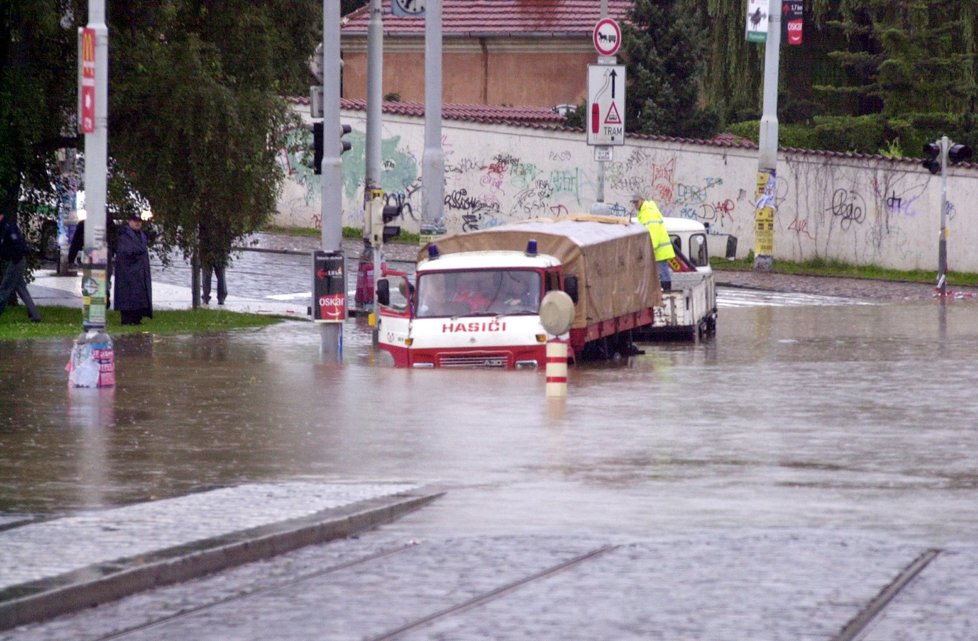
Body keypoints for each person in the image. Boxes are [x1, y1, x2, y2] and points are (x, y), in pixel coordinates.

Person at [0, 210, 41, 322]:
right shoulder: (4, 226)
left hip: (17, 261)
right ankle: (35, 315)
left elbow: (18, 247)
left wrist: (5, 252)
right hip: (16, 260)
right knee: (21, 289)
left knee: (5, 288)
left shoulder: (8, 227)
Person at [114, 212, 153, 325]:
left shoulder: (142, 235)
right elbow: (124, 251)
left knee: (139, 297)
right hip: (127, 272)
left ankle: (137, 318)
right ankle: (127, 319)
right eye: (135, 221)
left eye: (139, 221)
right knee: (128, 296)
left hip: (140, 272)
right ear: (129, 221)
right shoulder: (124, 235)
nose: (137, 223)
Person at [634, 191, 675, 291]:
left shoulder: (648, 213)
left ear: (642, 200)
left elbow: (653, 232)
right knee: (662, 271)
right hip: (659, 248)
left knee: (663, 271)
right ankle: (664, 290)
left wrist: (651, 248)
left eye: (636, 202)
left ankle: (667, 291)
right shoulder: (646, 211)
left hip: (658, 249)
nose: (635, 205)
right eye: (634, 203)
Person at [198, 223, 229, 305]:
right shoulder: (224, 217)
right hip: (218, 248)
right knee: (219, 274)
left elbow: (201, 233)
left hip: (210, 248)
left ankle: (206, 297)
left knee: (208, 274)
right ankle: (219, 297)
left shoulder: (206, 216)